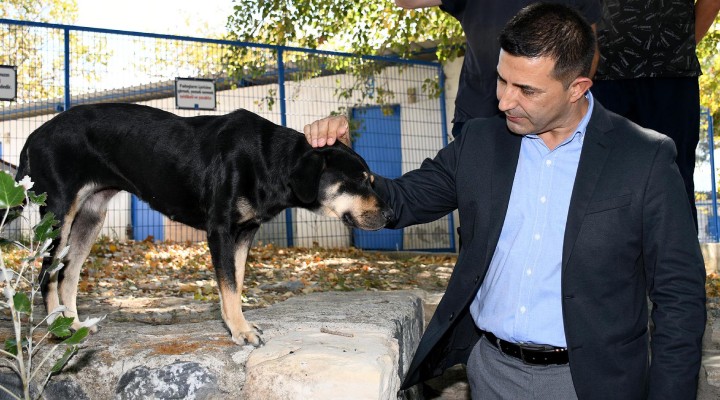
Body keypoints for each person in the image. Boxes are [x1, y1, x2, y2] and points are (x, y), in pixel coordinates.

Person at [304, 3, 706, 399]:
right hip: (492, 374)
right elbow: (400, 202)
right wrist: (343, 161)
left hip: (595, 382)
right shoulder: (479, 143)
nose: (504, 101)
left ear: (577, 88)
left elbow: (680, 297)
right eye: (502, 80)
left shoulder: (644, 157)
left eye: (526, 90)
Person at [592, 0, 720, 228]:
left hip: (671, 75)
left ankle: (677, 263)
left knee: (673, 182)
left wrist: (683, 45)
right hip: (602, 76)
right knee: (604, 188)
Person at [393, 0, 601, 140]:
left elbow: (588, 53)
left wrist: (563, 109)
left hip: (549, 125)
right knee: (479, 200)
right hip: (481, 118)